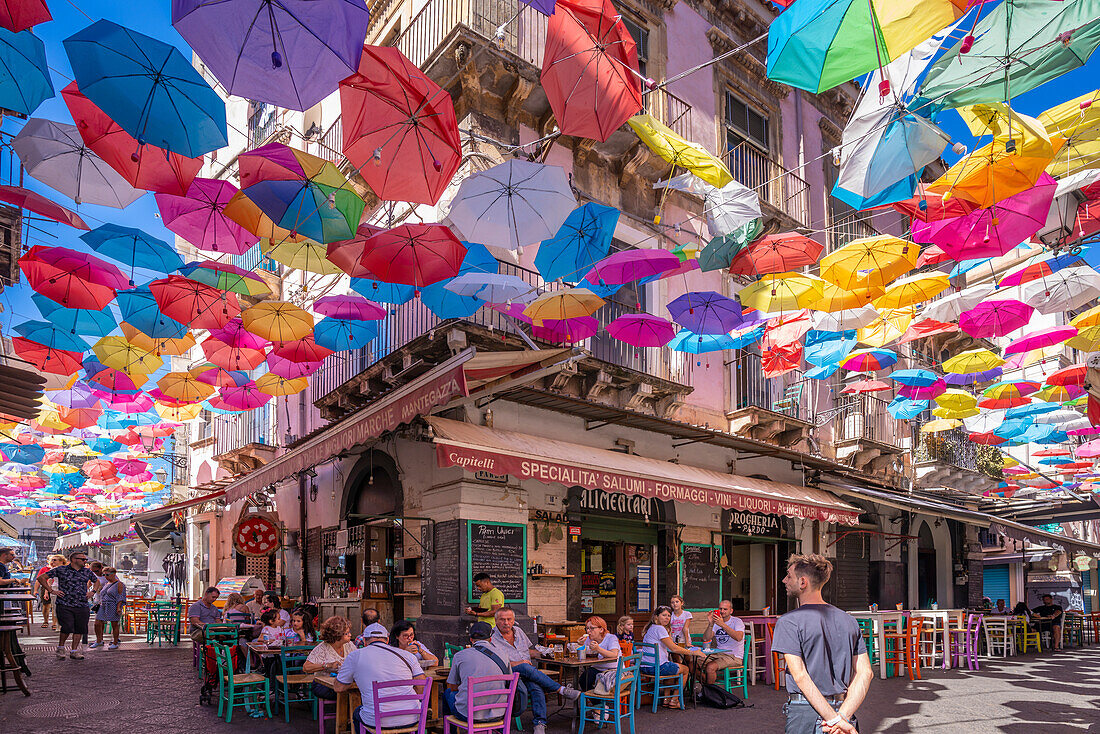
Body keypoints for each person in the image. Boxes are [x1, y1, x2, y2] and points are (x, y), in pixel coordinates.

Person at [771, 553, 874, 734]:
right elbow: (865, 672)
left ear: (803, 582)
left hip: (806, 713)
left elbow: (800, 675)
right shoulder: (849, 621)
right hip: (843, 710)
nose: (784, 580)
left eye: (789, 576)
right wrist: (842, 717)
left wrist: (833, 719)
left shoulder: (789, 621)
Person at [490, 607, 580, 734]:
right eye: (502, 619)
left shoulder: (519, 631)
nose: (506, 622)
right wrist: (518, 663)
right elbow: (495, 663)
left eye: (509, 619)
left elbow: (528, 652)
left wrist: (544, 653)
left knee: (536, 687)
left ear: (513, 620)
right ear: (495, 621)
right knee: (526, 667)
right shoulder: (492, 638)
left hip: (528, 673)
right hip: (509, 673)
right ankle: (561, 689)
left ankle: (540, 723)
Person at [334, 620, 427, 731]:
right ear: (387, 640)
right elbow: (422, 686)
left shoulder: (355, 656)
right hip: (412, 717)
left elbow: (339, 687)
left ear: (364, 640)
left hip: (378, 720)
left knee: (357, 712)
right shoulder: (408, 655)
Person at [446, 621, 510, 722]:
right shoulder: (504, 654)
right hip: (499, 713)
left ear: (471, 639)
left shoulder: (459, 656)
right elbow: (508, 683)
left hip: (469, 715)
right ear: (490, 639)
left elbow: (453, 687)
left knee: (448, 693)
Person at [42, 551, 101, 660]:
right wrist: (51, 590)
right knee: (67, 627)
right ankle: (61, 647)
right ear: (74, 560)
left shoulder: (87, 571)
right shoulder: (61, 569)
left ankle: (74, 651)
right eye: (83, 559)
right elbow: (41, 578)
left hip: (82, 604)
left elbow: (96, 581)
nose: (85, 561)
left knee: (80, 628)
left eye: (85, 559)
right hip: (65, 603)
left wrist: (93, 592)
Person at [640, 606, 700, 709]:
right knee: (685, 669)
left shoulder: (651, 628)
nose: (667, 618)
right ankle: (675, 700)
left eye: (668, 616)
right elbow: (674, 648)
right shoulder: (659, 629)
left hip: (645, 667)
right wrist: (693, 653)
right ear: (656, 617)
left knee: (671, 666)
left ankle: (666, 699)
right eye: (664, 615)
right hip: (657, 667)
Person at [304, 616, 356, 703]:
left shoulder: (349, 645)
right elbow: (306, 667)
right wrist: (327, 665)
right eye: (346, 633)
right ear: (337, 635)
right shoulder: (322, 648)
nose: (350, 635)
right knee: (347, 692)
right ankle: (345, 714)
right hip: (322, 685)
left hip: (342, 682)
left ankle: (347, 714)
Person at [701, 599, 746, 684]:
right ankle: (707, 686)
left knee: (710, 667)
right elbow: (706, 639)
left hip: (734, 656)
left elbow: (738, 637)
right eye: (720, 609)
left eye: (725, 609)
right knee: (692, 664)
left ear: (731, 611)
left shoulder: (737, 621)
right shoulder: (716, 622)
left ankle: (710, 693)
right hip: (719, 654)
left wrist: (722, 624)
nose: (722, 611)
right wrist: (710, 624)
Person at [578, 616, 620, 691]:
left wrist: (598, 649)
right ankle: (597, 702)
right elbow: (584, 654)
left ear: (601, 629)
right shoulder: (588, 639)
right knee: (583, 680)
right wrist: (581, 645)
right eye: (587, 628)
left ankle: (600, 701)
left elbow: (614, 654)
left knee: (599, 682)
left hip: (613, 669)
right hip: (597, 668)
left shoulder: (611, 638)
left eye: (592, 628)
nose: (588, 631)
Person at [90, 567, 125, 650]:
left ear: (113, 574)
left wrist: (118, 607)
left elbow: (121, 596)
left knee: (114, 624)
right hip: (103, 605)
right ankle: (99, 640)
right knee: (97, 623)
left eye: (107, 574)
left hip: (113, 605)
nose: (105, 576)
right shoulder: (107, 584)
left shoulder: (119, 584)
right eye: (104, 575)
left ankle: (115, 642)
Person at [34, 555, 64, 630]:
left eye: (55, 560)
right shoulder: (48, 569)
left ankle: (57, 624)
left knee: (59, 607)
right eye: (52, 560)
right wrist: (47, 592)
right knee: (49, 606)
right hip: (52, 589)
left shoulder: (66, 569)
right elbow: (43, 580)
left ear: (61, 561)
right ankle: (48, 622)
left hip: (63, 589)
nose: (52, 562)